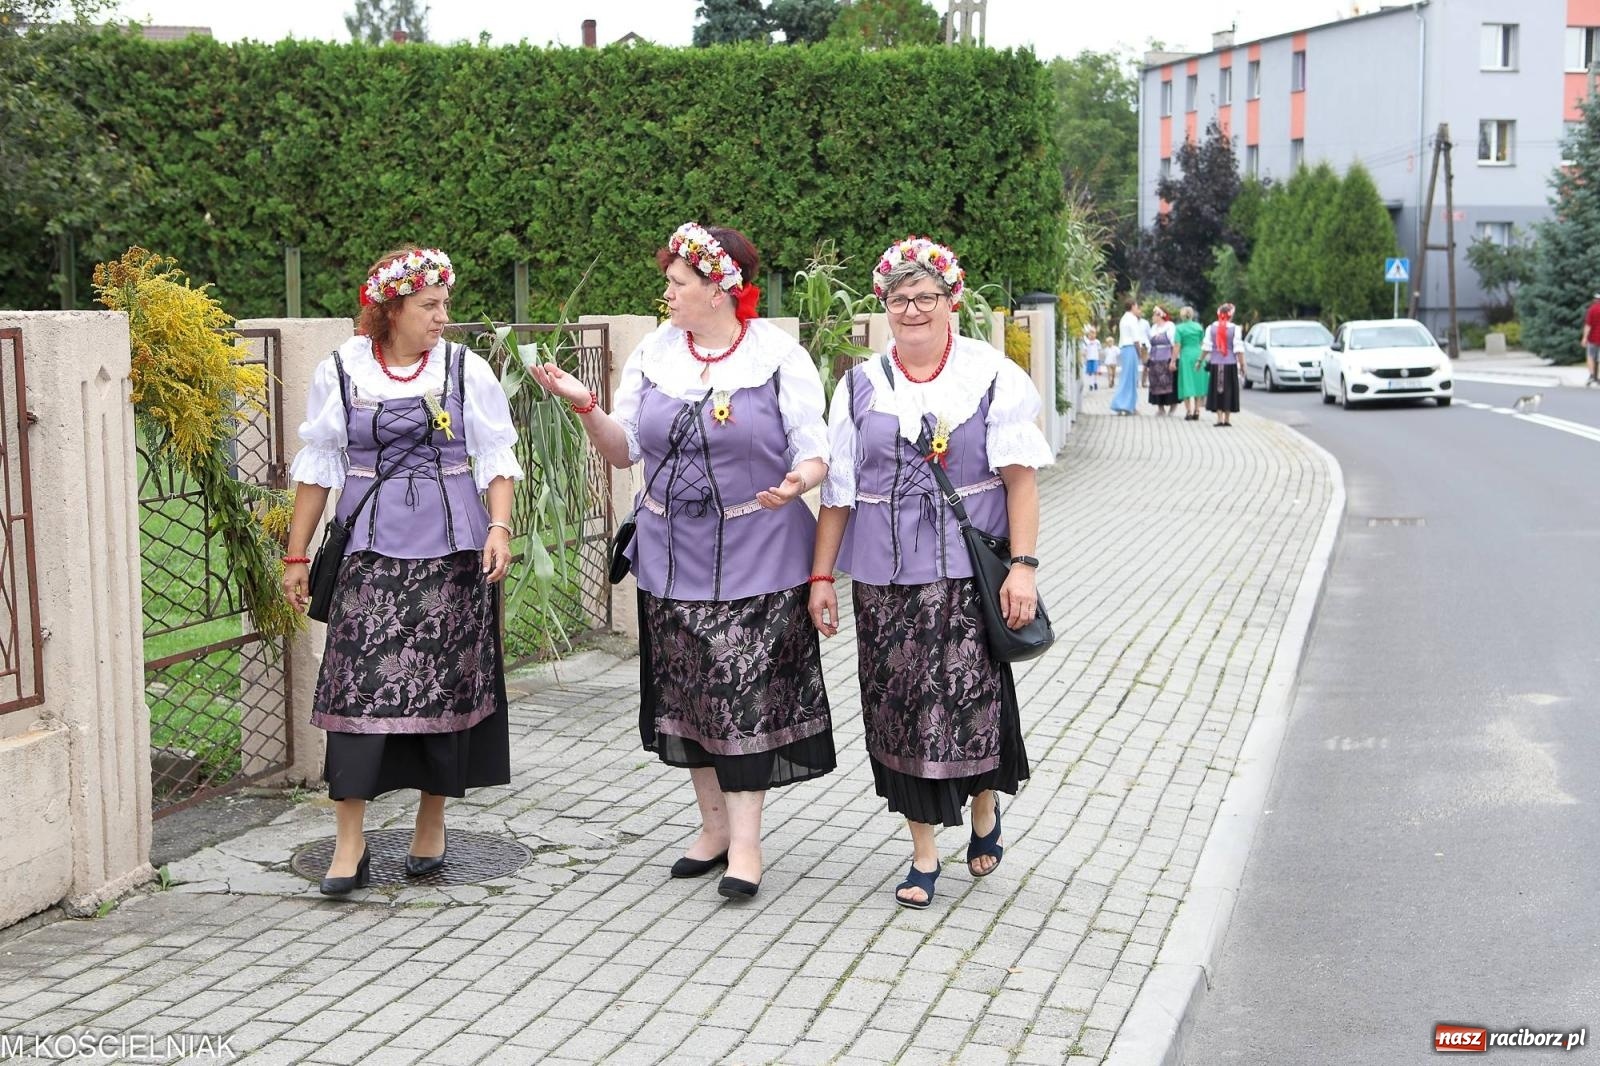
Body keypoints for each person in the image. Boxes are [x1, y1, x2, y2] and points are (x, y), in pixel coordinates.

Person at [530, 222, 833, 901]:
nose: (666, 292)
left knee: (746, 695)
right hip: (672, 551)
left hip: (761, 547)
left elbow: (815, 448)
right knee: (691, 693)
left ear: (719, 288)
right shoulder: (655, 354)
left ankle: (748, 846)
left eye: (677, 282)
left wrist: (797, 483)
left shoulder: (779, 357)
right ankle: (714, 827)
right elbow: (622, 450)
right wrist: (585, 406)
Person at [809, 237, 1053, 909]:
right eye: (898, 299)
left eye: (925, 297)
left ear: (951, 302)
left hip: (968, 572)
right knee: (898, 708)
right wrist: (821, 578)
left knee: (969, 702)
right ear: (884, 307)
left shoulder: (990, 374)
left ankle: (982, 807)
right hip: (885, 577)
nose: (911, 310)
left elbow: (1021, 482)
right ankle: (922, 850)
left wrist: (1023, 569)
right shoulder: (859, 384)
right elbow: (838, 493)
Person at [281, 246, 523, 896]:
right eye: (430, 306)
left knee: (443, 691)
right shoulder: (341, 370)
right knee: (356, 691)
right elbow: (319, 466)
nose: (443, 317)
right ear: (391, 309)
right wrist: (296, 553)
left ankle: (431, 822)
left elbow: (495, 456)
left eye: (444, 304)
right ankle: (349, 844)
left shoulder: (464, 369)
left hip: (452, 554)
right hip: (369, 552)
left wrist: (499, 526)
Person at [1203, 302, 1244, 426]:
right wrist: (1242, 365)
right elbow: (1238, 349)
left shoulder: (1211, 328)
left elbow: (1206, 347)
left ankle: (1219, 418)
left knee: (1217, 390)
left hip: (1215, 363)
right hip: (1230, 363)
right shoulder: (1235, 328)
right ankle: (1227, 419)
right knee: (1229, 390)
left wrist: (1200, 360)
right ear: (1230, 315)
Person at [1111, 297, 1144, 415]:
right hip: (1131, 348)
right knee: (1131, 378)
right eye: (1136, 306)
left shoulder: (1124, 318)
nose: (1137, 309)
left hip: (1124, 348)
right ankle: (1125, 405)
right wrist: (1139, 353)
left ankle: (1126, 404)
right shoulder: (1132, 319)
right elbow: (1136, 339)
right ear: (1133, 306)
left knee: (1126, 376)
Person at [1174, 307, 1208, 420]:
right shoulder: (1198, 327)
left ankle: (1188, 411)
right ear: (1192, 315)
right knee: (1198, 382)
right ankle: (1197, 410)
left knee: (1186, 382)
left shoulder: (1179, 328)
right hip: (1198, 355)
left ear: (1182, 316)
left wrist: (1173, 360)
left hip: (1186, 356)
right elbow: (1203, 343)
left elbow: (1177, 345)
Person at [1146, 306, 1179, 415]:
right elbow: (1150, 344)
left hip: (1167, 358)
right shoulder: (1153, 328)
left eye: (1154, 314)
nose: (1152, 317)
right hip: (1155, 360)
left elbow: (1174, 344)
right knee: (1155, 383)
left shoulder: (1169, 326)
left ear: (1160, 315)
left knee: (1169, 383)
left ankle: (1172, 407)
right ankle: (1160, 408)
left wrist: (1173, 360)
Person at [1581, 291, 1600, 387]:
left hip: (1593, 338)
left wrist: (1584, 338)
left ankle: (1592, 376)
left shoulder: (1592, 310)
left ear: (1595, 299)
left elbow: (1588, 325)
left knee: (1590, 356)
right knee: (1598, 358)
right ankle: (1597, 377)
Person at [1082, 325, 1101, 390]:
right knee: (1090, 372)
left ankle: (1095, 383)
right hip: (1089, 358)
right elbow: (1085, 350)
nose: (1092, 335)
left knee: (1095, 371)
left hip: (1095, 358)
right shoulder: (1087, 342)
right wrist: (1084, 355)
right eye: (1091, 333)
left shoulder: (1097, 342)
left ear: (1095, 334)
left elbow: (1099, 350)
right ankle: (1090, 384)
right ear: (1088, 334)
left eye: (1093, 333)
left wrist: (1099, 359)